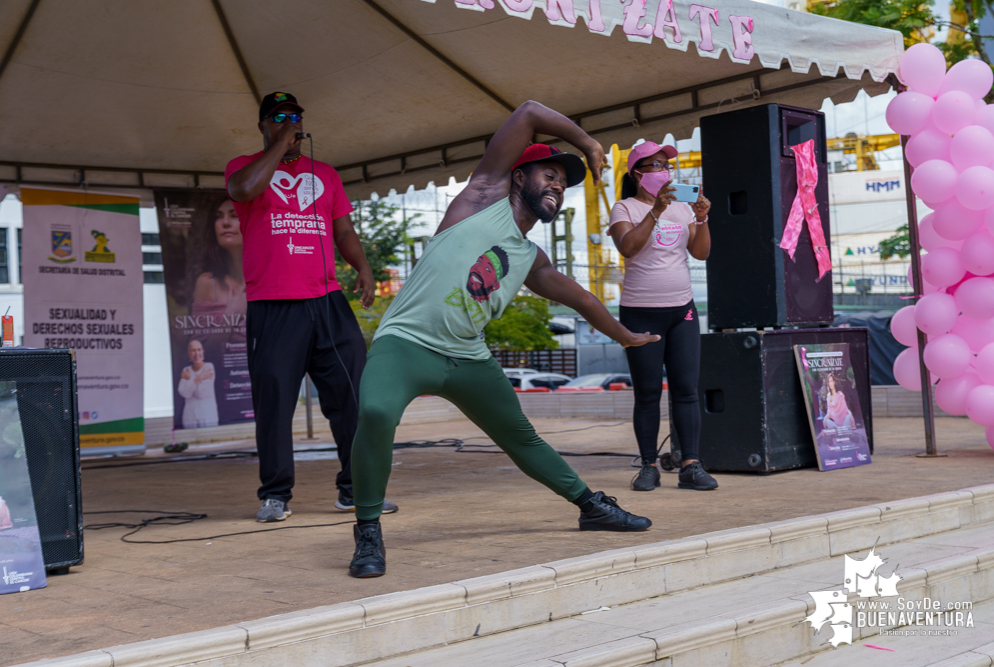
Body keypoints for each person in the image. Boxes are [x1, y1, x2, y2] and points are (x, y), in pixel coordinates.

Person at [348, 100, 660, 579]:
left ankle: (591, 506)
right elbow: (530, 111)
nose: (557, 184)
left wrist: (625, 336)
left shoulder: (531, 257)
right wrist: (587, 142)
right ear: (518, 177)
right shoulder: (480, 199)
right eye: (548, 174)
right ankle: (367, 528)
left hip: (467, 358)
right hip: (406, 344)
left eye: (563, 181)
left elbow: (581, 299)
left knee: (521, 438)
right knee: (374, 412)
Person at [225, 91, 397, 523]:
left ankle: (356, 489)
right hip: (273, 305)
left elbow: (343, 230)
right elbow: (243, 189)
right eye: (281, 117)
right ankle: (276, 494)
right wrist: (280, 145)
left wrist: (363, 267)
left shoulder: (326, 174)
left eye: (297, 116)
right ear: (264, 124)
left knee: (353, 395)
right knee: (275, 401)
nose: (292, 123)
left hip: (327, 301)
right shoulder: (243, 168)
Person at [608, 140, 718, 493]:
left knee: (686, 391)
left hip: (682, 309)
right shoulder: (624, 208)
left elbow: (700, 253)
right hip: (641, 312)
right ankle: (648, 466)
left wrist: (701, 218)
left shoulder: (683, 210)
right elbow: (628, 247)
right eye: (654, 165)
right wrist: (654, 210)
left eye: (666, 164)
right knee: (648, 392)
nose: (663, 171)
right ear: (637, 174)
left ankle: (691, 465)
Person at [192, 197, 246, 322]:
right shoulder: (207, 283)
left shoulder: (268, 279)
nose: (225, 222)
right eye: (218, 217)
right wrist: (232, 314)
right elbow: (201, 341)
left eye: (234, 215)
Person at [178, 339, 219, 428]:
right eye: (193, 350)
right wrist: (200, 377)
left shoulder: (209, 367)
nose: (197, 353)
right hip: (190, 417)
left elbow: (200, 393)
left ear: (203, 352)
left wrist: (190, 379)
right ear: (189, 353)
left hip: (207, 416)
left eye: (199, 350)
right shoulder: (186, 370)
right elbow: (185, 393)